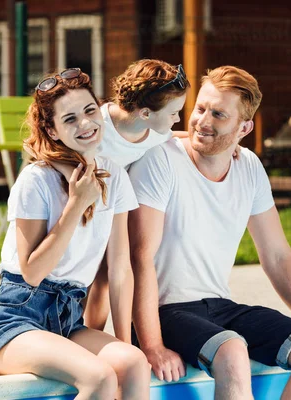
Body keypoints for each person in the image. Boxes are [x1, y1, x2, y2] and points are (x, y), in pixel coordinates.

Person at [128, 65, 291, 399]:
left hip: (218, 305)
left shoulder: (250, 167)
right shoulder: (161, 159)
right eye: (200, 109)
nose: (203, 121)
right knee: (231, 350)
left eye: (218, 114)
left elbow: (277, 255)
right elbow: (139, 255)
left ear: (244, 127)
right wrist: (152, 344)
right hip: (162, 311)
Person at [0, 68, 150, 400]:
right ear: (52, 130)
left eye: (89, 111)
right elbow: (32, 272)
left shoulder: (113, 174)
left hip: (68, 317)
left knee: (133, 363)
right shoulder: (36, 180)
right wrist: (75, 205)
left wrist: (122, 343)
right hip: (16, 319)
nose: (85, 124)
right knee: (99, 377)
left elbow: (119, 269)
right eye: (69, 119)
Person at [83, 59, 190, 331]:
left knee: (105, 275)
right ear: (144, 113)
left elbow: (176, 135)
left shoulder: (153, 129)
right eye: (174, 112)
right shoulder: (96, 126)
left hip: (111, 211)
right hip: (77, 208)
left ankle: (90, 334)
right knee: (80, 277)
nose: (178, 118)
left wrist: (217, 143)